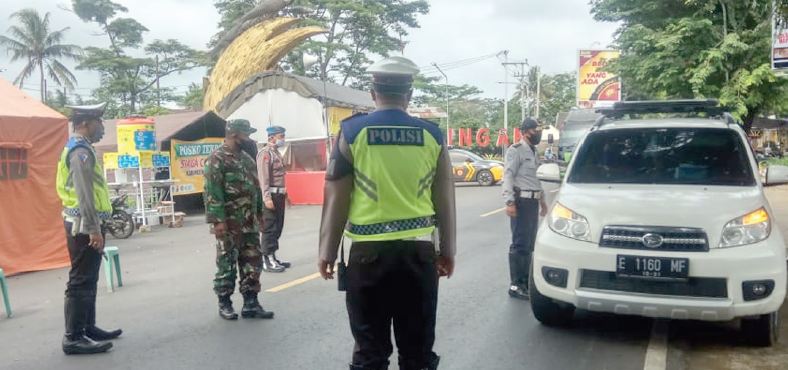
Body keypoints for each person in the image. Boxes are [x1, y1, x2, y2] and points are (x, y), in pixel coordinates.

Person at [318, 56, 456, 370]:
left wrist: (326, 251)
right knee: (417, 352)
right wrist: (447, 250)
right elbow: (445, 197)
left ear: (372, 91)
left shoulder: (353, 132)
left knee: (370, 352)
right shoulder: (432, 135)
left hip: (367, 258)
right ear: (409, 94)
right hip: (419, 256)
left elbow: (336, 195)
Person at [56, 103, 121, 355]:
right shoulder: (79, 151)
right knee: (81, 280)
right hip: (83, 225)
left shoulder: (82, 149)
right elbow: (84, 194)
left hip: (86, 223)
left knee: (89, 278)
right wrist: (94, 229)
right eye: (99, 122)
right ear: (85, 123)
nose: (102, 127)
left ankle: (87, 327)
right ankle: (73, 337)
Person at [204, 119, 274, 320]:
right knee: (226, 262)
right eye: (246, 135)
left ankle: (251, 302)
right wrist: (217, 220)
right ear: (235, 134)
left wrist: (260, 214)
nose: (249, 139)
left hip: (249, 221)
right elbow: (212, 192)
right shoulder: (216, 159)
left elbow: (256, 189)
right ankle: (224, 302)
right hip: (229, 223)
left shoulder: (246, 159)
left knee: (252, 261)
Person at [502, 118, 549, 300]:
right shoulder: (516, 150)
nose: (539, 133)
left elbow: (536, 180)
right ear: (527, 131)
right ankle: (515, 285)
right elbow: (508, 176)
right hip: (521, 201)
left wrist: (543, 201)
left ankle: (525, 282)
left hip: (532, 202)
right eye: (537, 130)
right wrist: (509, 202)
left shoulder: (534, 151)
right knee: (520, 244)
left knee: (529, 244)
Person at [256, 126, 290, 273]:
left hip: (279, 194)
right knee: (269, 228)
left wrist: (285, 194)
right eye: (280, 136)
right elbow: (264, 177)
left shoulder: (276, 153)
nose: (283, 139)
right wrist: (266, 197)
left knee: (278, 227)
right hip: (271, 195)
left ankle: (273, 257)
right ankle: (266, 259)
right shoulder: (265, 154)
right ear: (271, 138)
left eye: (283, 136)